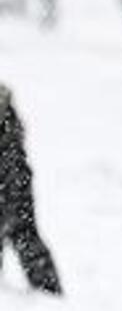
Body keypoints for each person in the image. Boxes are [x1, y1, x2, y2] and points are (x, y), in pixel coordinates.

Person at [0, 84, 62, 294]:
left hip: (11, 173)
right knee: (23, 230)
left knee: (22, 230)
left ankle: (49, 294)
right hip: (13, 170)